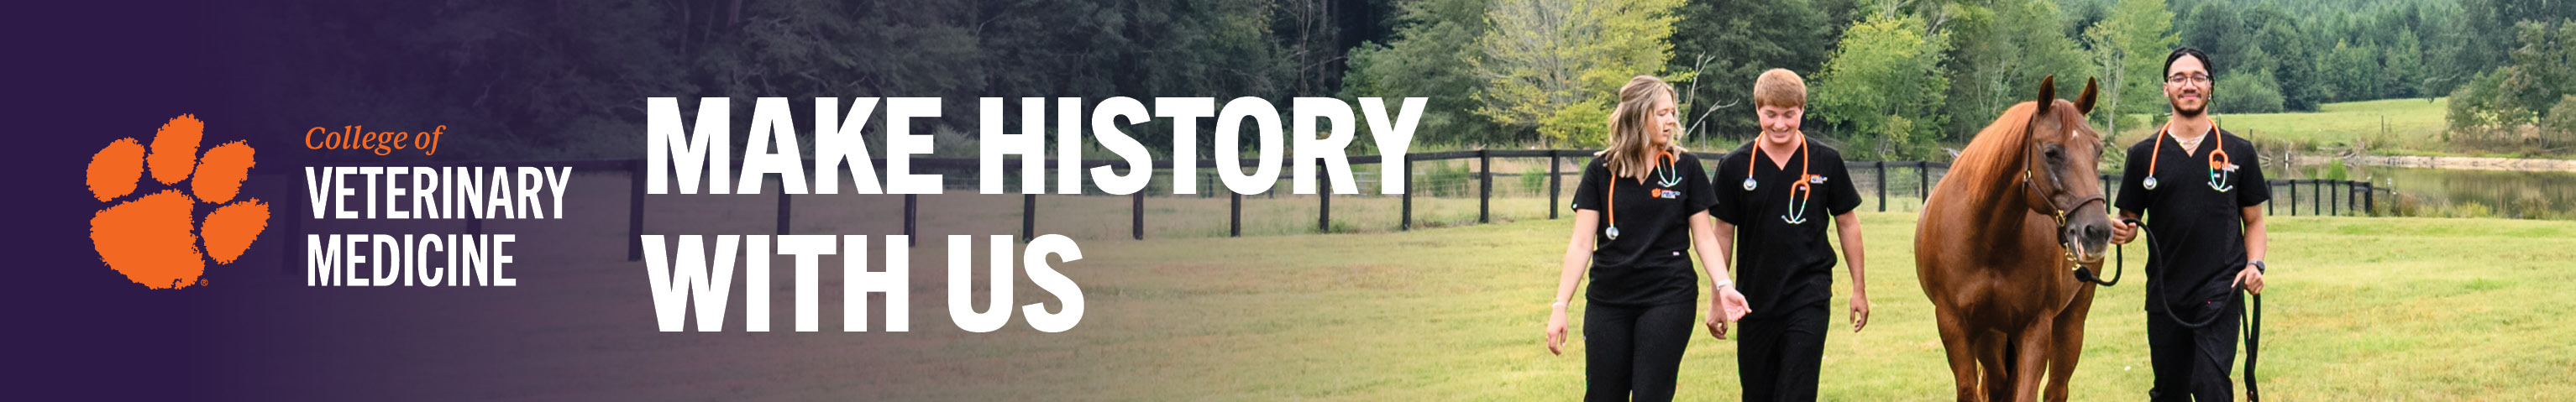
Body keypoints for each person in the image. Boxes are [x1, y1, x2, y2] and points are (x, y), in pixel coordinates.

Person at [1546, 75, 1751, 402]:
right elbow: (1582, 243)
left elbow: (1705, 238)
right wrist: (1560, 306)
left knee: (1650, 394)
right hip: (1608, 299)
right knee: (1602, 394)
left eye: (1672, 112)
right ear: (1638, 115)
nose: (1671, 120)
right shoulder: (1601, 170)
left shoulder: (1686, 168)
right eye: (1662, 113)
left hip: (1667, 295)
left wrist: (1724, 286)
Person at [2109, 47, 2271, 401]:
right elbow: (2130, 221)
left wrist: (2255, 264)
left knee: (2210, 383)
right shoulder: (2143, 157)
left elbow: (2255, 221)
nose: (2189, 85)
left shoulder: (2237, 153)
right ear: (2166, 89)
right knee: (2171, 391)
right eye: (2179, 78)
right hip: (2166, 294)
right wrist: (2122, 230)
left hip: (2221, 288)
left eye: (2198, 77)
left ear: (2210, 87)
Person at [1708, 69, 1869, 402]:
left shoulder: (1826, 161)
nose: (1779, 124)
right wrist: (1717, 300)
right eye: (1771, 115)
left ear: (1802, 112)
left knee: (1797, 390)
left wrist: (1858, 289)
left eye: (1789, 115)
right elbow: (1722, 235)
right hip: (1753, 301)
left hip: (1808, 295)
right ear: (1758, 111)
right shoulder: (1736, 166)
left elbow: (1848, 223)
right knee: (1758, 392)